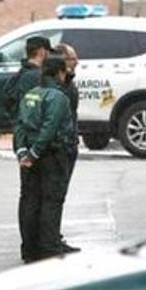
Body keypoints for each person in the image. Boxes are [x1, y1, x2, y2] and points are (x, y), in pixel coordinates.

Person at [13, 56, 78, 262]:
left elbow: (20, 125)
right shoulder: (58, 97)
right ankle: (49, 250)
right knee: (51, 202)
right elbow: (50, 128)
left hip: (30, 158)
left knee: (29, 202)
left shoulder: (30, 95)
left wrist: (23, 152)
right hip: (51, 156)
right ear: (59, 73)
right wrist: (35, 153)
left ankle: (29, 250)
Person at [49, 42, 82, 255]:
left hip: (69, 143)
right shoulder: (62, 87)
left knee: (59, 195)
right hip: (63, 145)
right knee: (55, 195)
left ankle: (54, 237)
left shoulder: (67, 84)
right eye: (71, 58)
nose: (76, 62)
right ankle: (51, 240)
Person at [3, 35, 51, 129]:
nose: (49, 55)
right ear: (41, 51)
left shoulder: (18, 76)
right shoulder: (37, 76)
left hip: (21, 130)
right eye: (48, 51)